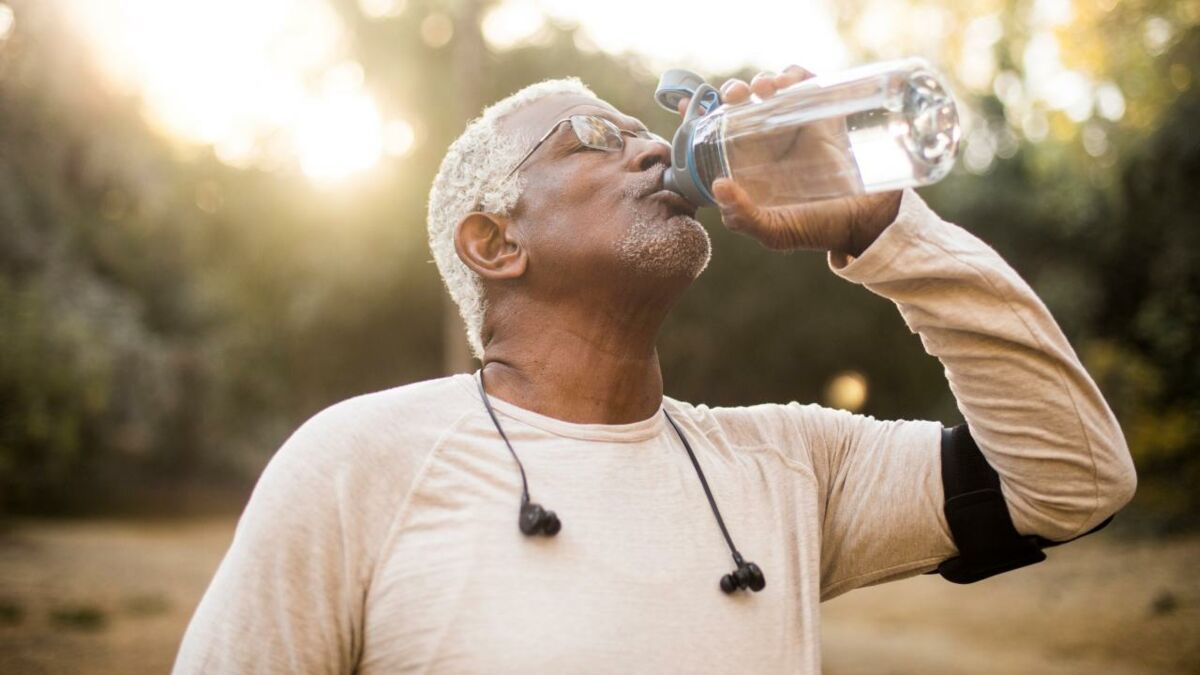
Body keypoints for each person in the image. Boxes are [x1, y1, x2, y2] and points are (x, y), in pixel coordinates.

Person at [172, 66, 1137, 674]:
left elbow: (1073, 477)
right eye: (592, 137)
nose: (645, 143)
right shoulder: (357, 461)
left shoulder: (790, 464)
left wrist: (886, 230)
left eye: (641, 126)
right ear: (495, 242)